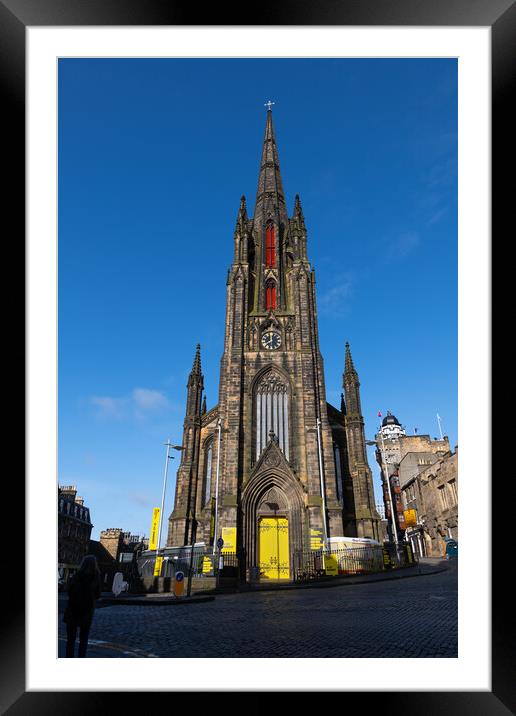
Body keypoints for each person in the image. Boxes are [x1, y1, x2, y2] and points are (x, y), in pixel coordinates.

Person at [63, 554, 102, 657]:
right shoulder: (96, 578)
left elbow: (69, 591)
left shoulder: (76, 575)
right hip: (87, 613)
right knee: (83, 641)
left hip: (73, 612)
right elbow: (98, 595)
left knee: (70, 641)